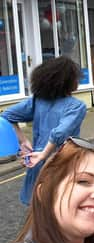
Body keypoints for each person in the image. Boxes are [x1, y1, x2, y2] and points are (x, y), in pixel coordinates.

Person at [1, 56, 86, 205]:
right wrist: (44, 155)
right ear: (68, 81)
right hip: (63, 163)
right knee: (61, 209)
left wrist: (22, 141)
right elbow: (59, 133)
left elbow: (6, 116)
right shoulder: (76, 106)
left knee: (37, 210)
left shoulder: (37, 101)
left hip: (37, 162)